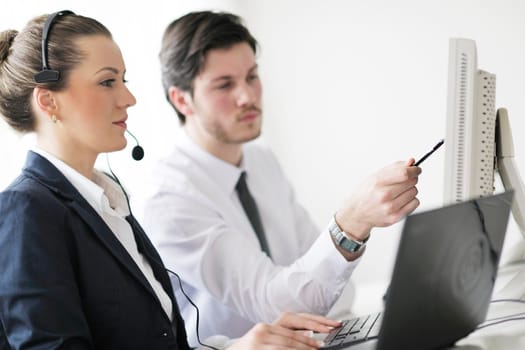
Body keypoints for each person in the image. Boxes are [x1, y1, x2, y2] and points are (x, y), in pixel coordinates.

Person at [0, 10, 341, 350]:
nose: (128, 99)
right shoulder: (25, 209)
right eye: (107, 82)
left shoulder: (108, 202)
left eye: (124, 80)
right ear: (48, 100)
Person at [142, 10, 422, 346]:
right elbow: (275, 308)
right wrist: (352, 221)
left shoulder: (260, 161)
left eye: (251, 76)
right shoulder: (170, 199)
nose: (247, 97)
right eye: (225, 85)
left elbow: (335, 289)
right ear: (181, 99)